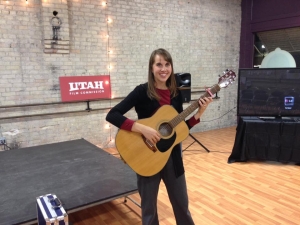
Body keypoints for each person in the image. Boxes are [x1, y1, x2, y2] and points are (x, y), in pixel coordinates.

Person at [106, 48, 213, 225]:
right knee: (149, 211)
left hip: (173, 158)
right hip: (147, 157)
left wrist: (199, 114)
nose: (163, 69)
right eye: (159, 64)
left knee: (182, 206)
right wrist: (142, 129)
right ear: (151, 68)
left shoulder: (176, 93)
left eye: (167, 64)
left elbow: (178, 129)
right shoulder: (141, 91)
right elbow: (113, 114)